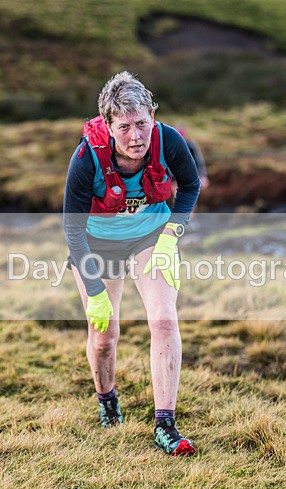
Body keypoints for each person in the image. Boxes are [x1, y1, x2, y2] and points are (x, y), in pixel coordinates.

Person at [63, 71, 201, 456]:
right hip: (96, 243)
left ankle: (165, 426)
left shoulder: (168, 140)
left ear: (152, 115)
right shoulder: (85, 158)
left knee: (163, 318)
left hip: (150, 238)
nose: (136, 136)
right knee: (104, 335)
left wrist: (172, 235)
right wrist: (94, 293)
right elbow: (72, 232)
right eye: (124, 127)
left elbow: (190, 186)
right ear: (108, 125)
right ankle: (107, 402)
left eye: (142, 123)